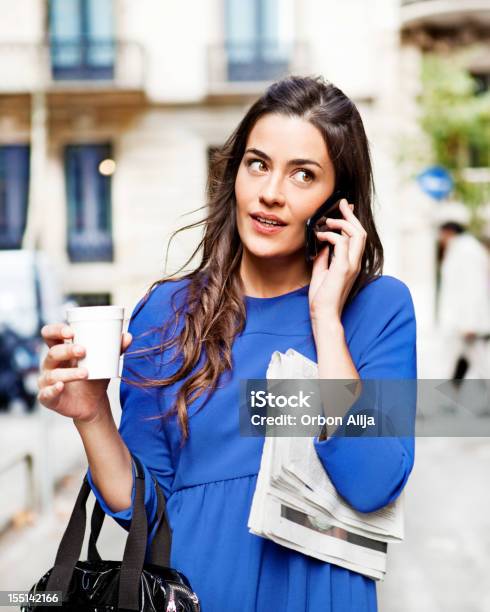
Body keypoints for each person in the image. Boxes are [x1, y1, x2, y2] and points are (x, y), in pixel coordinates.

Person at [38, 76, 417, 612]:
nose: (271, 192)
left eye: (303, 175)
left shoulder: (378, 310)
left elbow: (373, 482)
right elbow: (143, 507)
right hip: (200, 593)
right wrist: (92, 414)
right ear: (234, 172)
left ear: (338, 204)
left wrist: (326, 319)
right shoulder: (168, 313)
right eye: (258, 164)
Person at [437, 221, 490, 381]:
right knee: (462, 363)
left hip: (467, 325)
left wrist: (470, 323)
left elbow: (474, 288)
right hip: (461, 323)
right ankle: (449, 398)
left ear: (448, 232)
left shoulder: (466, 251)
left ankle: (448, 399)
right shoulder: (462, 249)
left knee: (480, 365)